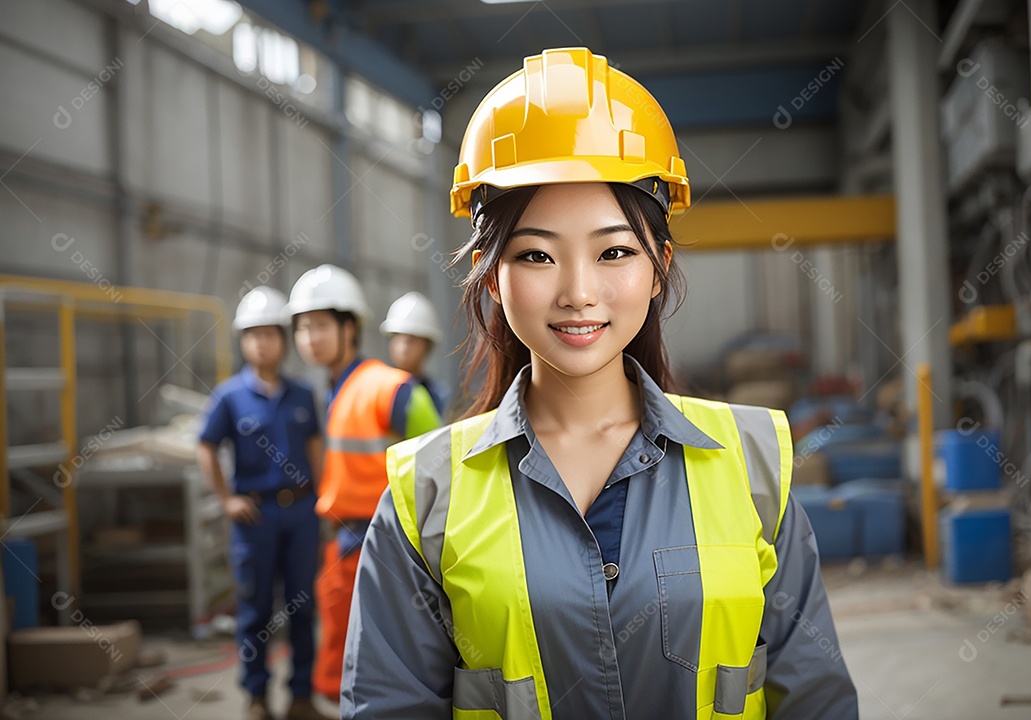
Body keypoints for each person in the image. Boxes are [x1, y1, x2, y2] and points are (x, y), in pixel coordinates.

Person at [340, 48, 859, 719]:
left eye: (614, 251)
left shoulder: (752, 462)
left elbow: (813, 697)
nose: (578, 292)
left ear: (658, 265)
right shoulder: (426, 495)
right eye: (535, 254)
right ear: (492, 274)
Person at [286, 264, 443, 707]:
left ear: (349, 327)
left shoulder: (386, 387)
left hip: (373, 539)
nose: (309, 338)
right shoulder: (336, 388)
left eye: (320, 325)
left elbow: (439, 462)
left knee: (367, 648)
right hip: (348, 537)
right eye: (302, 327)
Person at [196, 286, 323, 720]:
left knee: (304, 604)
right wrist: (227, 499)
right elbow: (206, 447)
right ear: (242, 341)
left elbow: (316, 448)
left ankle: (301, 696)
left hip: (302, 512)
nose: (261, 342)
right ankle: (256, 697)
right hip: (255, 516)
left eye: (270, 334)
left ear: (283, 340)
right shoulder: (228, 397)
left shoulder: (303, 395)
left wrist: (322, 499)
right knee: (254, 609)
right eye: (252, 335)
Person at [380, 291, 453, 418]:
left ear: (427, 346)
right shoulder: (377, 388)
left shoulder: (439, 396)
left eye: (411, 340)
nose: (403, 346)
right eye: (397, 337)